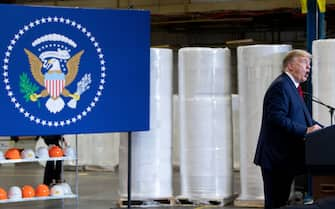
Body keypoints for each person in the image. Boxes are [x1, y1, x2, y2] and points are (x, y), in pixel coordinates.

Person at [253, 49, 323, 209]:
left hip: (285, 159)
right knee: (276, 203)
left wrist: (324, 130)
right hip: (276, 158)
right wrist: (306, 131)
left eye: (309, 64)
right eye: (305, 63)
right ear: (290, 66)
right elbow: (277, 118)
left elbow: (306, 119)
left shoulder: (293, 87)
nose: (309, 68)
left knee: (282, 202)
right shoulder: (281, 86)